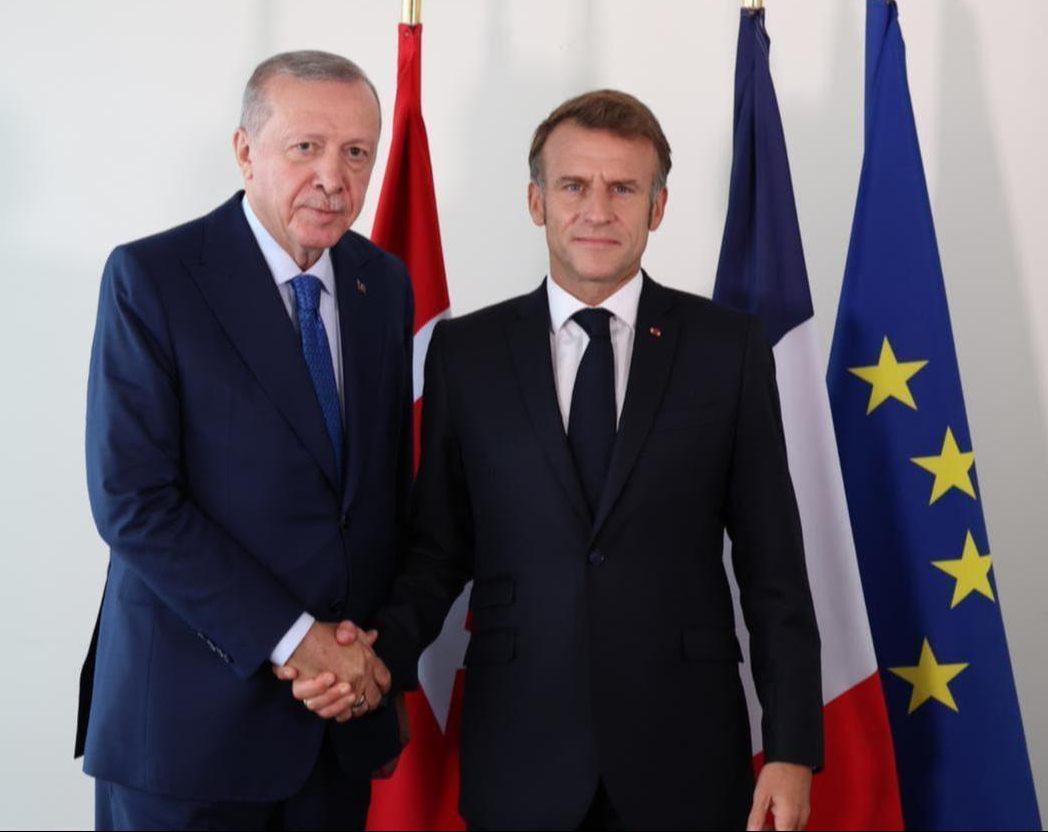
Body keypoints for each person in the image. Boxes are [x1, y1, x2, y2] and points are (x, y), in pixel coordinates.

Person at [289, 90, 824, 830]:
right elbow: (439, 549)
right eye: (574, 185)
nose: (597, 209)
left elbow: (775, 569)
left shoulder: (725, 350)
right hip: (521, 752)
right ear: (537, 202)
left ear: (658, 206)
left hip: (687, 754)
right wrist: (373, 662)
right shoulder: (466, 354)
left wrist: (793, 749)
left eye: (623, 188)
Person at [76, 50, 412, 831]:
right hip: (188, 736)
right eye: (307, 147)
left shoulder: (381, 284)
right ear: (244, 151)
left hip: (336, 734)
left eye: (358, 152)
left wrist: (360, 657)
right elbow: (134, 502)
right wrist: (299, 641)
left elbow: (381, 494)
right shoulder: (152, 278)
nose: (334, 177)